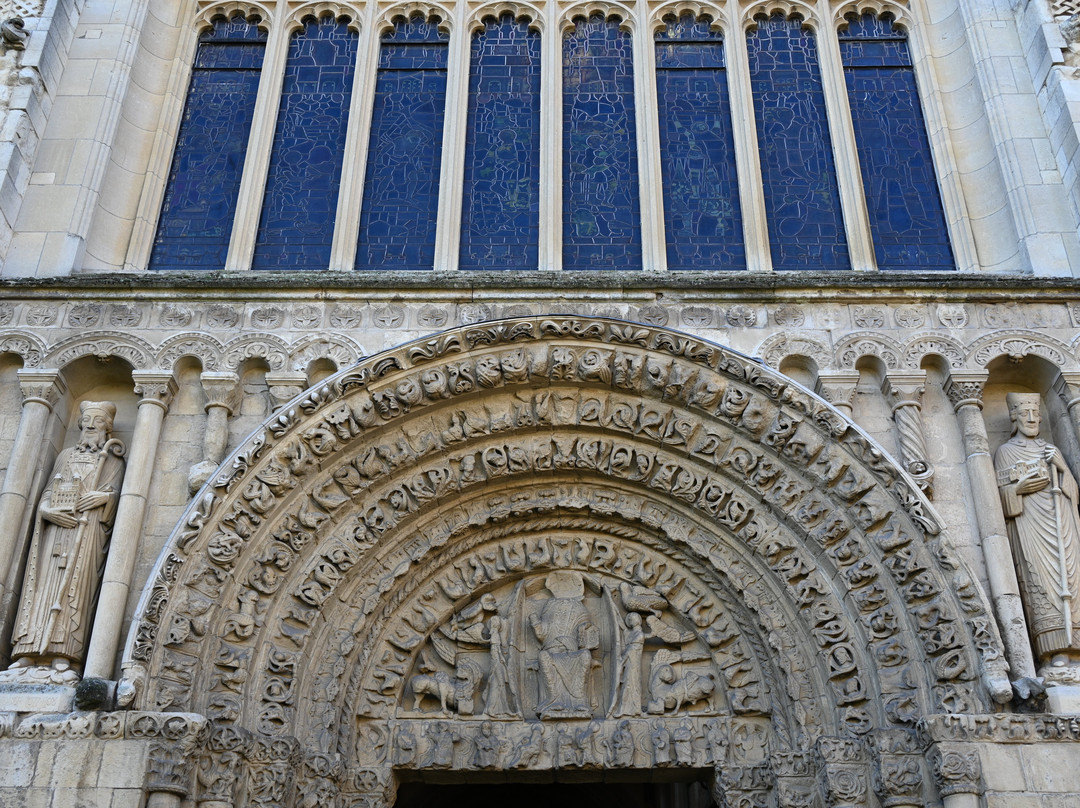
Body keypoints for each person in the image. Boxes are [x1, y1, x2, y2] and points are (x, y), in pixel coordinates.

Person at [6, 401, 125, 677]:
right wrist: (47, 511)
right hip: (56, 532)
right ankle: (29, 649)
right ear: (81, 424)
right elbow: (48, 493)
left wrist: (105, 498)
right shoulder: (66, 456)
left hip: (88, 532)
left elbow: (120, 497)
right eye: (87, 420)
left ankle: (64, 652)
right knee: (42, 589)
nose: (91, 425)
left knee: (77, 590)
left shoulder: (112, 460)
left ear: (107, 427)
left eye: (97, 420)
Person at [995, 393, 1080, 666]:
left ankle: (1075, 645)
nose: (1031, 418)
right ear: (1014, 418)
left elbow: (1072, 493)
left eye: (1035, 413)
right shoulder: (1006, 452)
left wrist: (1062, 466)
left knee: (1072, 576)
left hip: (1061, 520)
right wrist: (1018, 490)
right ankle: (1055, 652)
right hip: (1030, 525)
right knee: (1042, 583)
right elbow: (1001, 501)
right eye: (1024, 414)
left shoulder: (1050, 449)